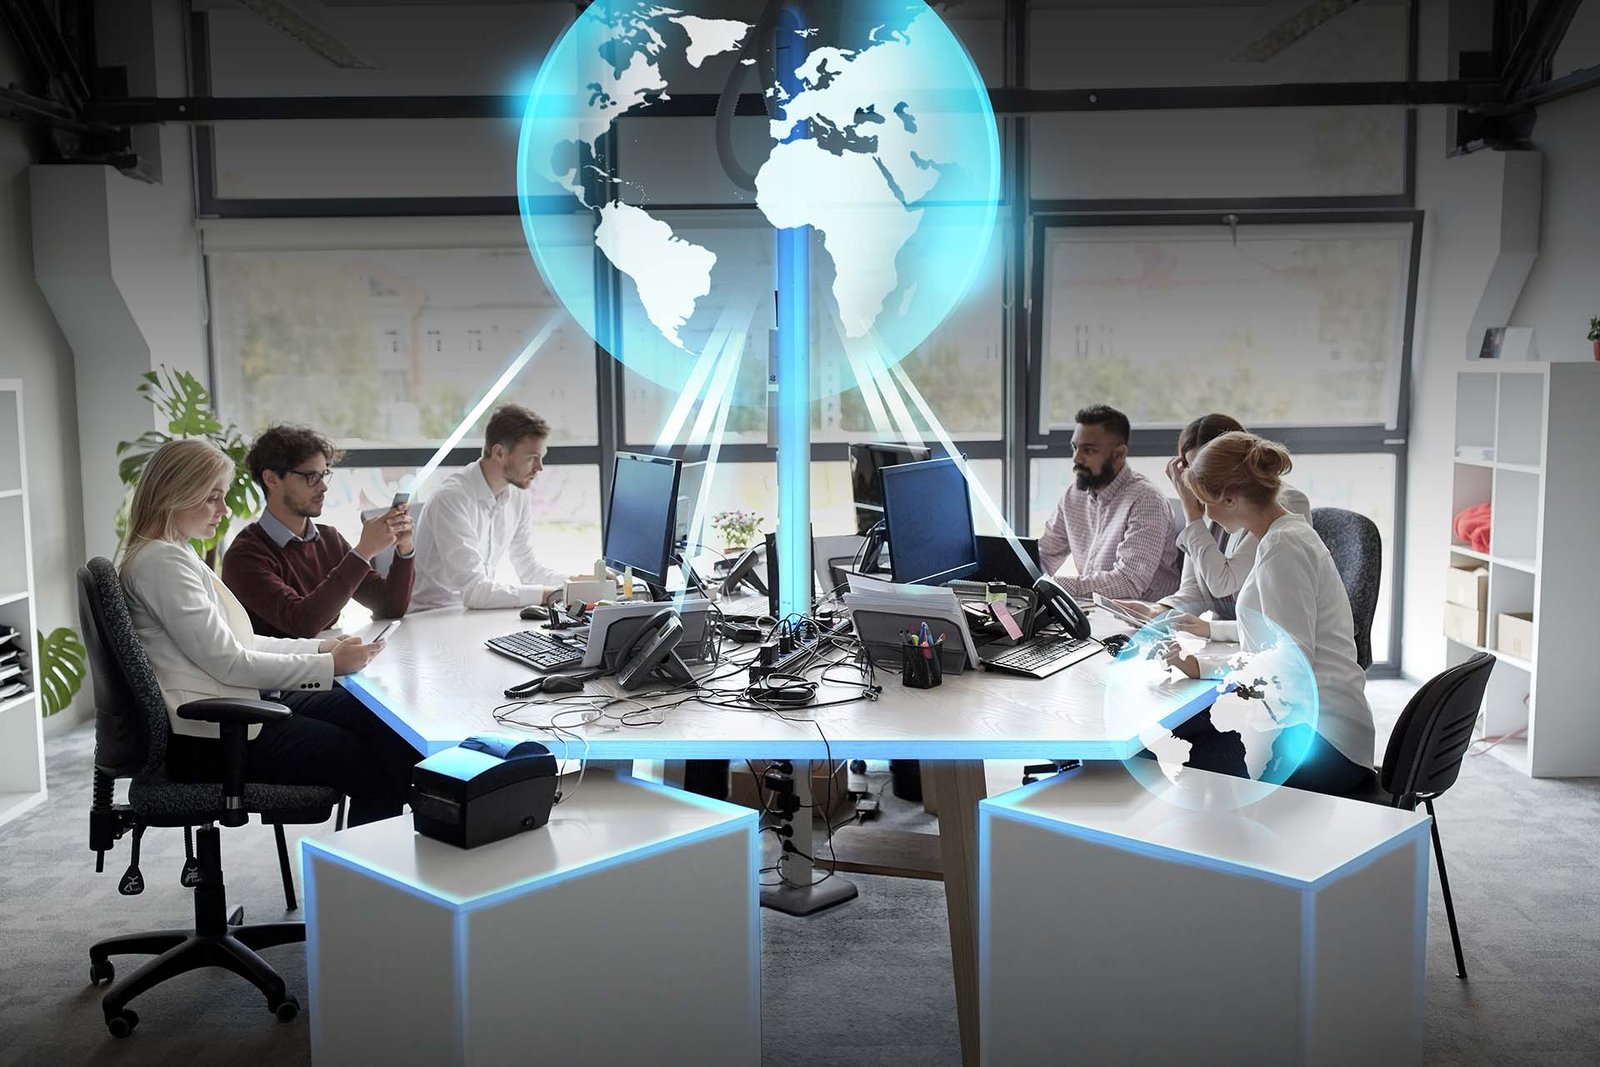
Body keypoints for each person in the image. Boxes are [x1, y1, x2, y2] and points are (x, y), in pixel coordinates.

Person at [120, 439, 420, 826]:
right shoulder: (162, 562)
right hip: (215, 734)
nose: (224, 510)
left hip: (229, 711)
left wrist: (320, 651)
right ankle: (423, 842)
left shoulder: (173, 553)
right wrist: (329, 666)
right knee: (374, 763)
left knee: (381, 722)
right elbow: (230, 663)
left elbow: (239, 643)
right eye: (213, 498)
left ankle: (427, 836)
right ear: (175, 494)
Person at [1161, 432, 1375, 798]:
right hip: (1319, 726)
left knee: (1175, 752)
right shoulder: (1284, 534)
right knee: (1188, 734)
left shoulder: (1283, 547)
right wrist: (1212, 637)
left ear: (1230, 498)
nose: (1206, 514)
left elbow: (1292, 663)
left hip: (1322, 741)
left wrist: (1208, 668)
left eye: (1205, 503)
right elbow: (1278, 628)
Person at [1113, 413, 1311, 633]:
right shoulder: (1208, 506)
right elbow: (1196, 589)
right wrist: (1158, 611)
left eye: (1206, 471)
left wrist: (1192, 515)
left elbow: (1223, 584)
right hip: (1229, 636)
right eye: (1192, 470)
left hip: (1251, 636)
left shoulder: (1280, 505)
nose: (1199, 484)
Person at [222, 425, 414, 639]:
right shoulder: (244, 556)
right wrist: (363, 552)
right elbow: (301, 623)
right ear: (272, 479)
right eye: (311, 477)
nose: (323, 486)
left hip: (327, 656)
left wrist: (404, 547)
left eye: (324, 475)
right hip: (280, 662)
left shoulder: (328, 540)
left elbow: (390, 606)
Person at [411, 404, 572, 611]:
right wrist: (552, 595)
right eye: (532, 458)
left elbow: (528, 567)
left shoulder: (518, 493)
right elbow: (474, 591)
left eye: (542, 458)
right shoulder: (451, 499)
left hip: (476, 613)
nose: (539, 468)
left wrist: (578, 584)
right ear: (499, 453)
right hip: (432, 616)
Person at [1037, 404, 1181, 601]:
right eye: (1075, 447)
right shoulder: (1074, 495)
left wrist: (1052, 586)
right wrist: (1018, 577)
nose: (1076, 458)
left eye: (1089, 450)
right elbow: (1045, 554)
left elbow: (1127, 582)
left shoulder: (1146, 501)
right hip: (1097, 610)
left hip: (1141, 616)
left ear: (1118, 454)